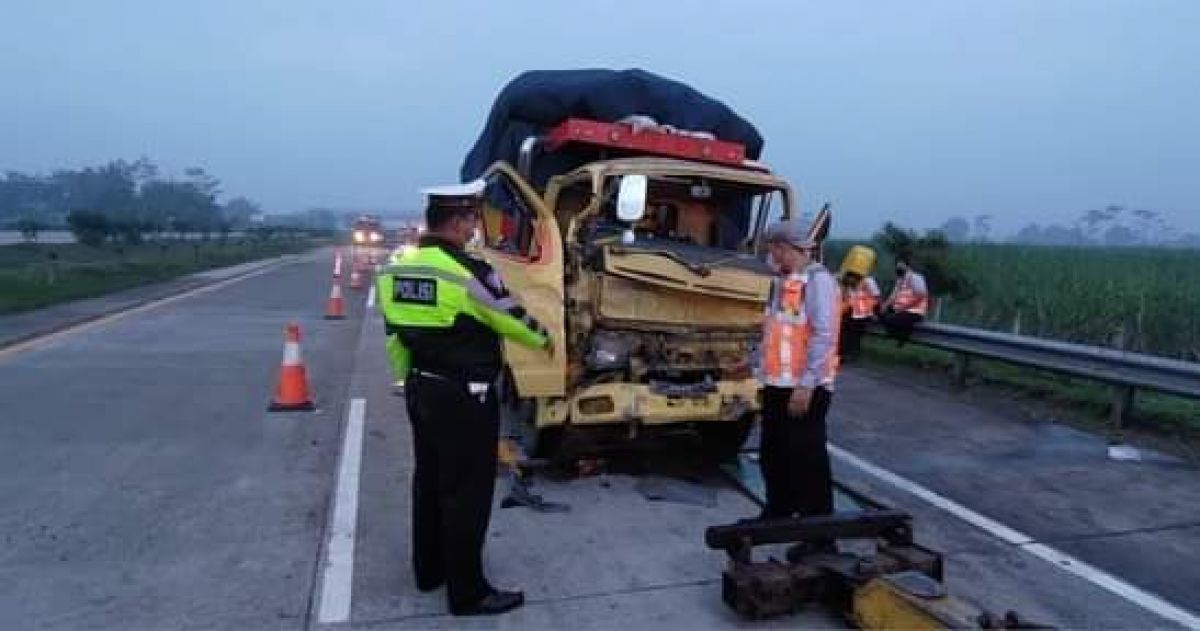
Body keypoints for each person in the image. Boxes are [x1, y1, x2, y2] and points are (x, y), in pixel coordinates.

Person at [376, 179, 552, 616]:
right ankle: (468, 593)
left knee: (429, 482)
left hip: (421, 388)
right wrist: (546, 340)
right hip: (464, 399)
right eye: (473, 218)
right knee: (466, 493)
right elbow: (511, 317)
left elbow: (394, 335)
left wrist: (407, 381)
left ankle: (429, 570)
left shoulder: (397, 267)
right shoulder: (467, 272)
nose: (476, 227)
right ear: (456, 221)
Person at [750, 217, 841, 539]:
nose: (772, 256)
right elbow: (774, 334)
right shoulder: (784, 280)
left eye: (774, 249)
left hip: (806, 388)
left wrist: (806, 384)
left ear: (787, 247)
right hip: (778, 384)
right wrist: (758, 372)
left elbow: (823, 335)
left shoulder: (818, 282)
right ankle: (778, 511)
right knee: (773, 454)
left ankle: (819, 537)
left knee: (807, 461)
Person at [880, 252, 929, 343]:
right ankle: (899, 333)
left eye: (901, 266)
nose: (898, 268)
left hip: (914, 311)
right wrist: (885, 306)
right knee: (879, 312)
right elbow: (893, 295)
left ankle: (902, 336)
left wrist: (903, 308)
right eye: (897, 266)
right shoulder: (900, 280)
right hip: (900, 310)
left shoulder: (916, 278)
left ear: (907, 266)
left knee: (892, 320)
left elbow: (920, 296)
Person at [840, 270, 881, 361]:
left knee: (852, 330)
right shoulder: (848, 284)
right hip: (852, 312)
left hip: (864, 313)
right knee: (844, 327)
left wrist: (874, 311)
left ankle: (848, 353)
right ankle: (843, 353)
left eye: (852, 278)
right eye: (849, 279)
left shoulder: (868, 281)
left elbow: (877, 297)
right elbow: (846, 299)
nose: (851, 280)